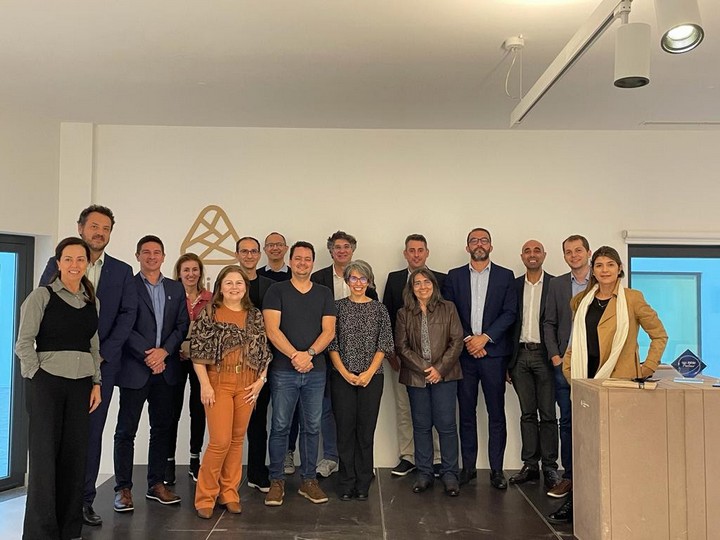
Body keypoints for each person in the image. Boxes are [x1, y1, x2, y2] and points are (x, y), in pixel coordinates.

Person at [549, 245, 668, 525]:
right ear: (593, 269)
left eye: (610, 265)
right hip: (585, 383)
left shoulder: (632, 299)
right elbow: (575, 341)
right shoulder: (581, 301)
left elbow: (659, 335)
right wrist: (569, 370)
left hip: (619, 384)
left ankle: (619, 506)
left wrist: (646, 368)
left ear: (619, 269)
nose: (604, 270)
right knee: (584, 447)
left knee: (617, 449)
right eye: (599, 265)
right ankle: (577, 503)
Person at [38, 205, 137, 527]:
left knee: (90, 435)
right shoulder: (58, 265)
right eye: (94, 226)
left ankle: (83, 501)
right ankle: (54, 504)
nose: (100, 233)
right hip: (58, 367)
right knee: (57, 435)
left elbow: (127, 315)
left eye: (106, 228)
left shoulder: (121, 271)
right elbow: (44, 309)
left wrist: (103, 354)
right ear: (80, 228)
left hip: (101, 367)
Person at [16, 237, 102, 540]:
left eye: (80, 259)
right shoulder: (42, 296)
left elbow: (93, 347)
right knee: (44, 459)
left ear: (87, 263)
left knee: (74, 458)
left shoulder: (92, 302)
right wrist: (37, 377)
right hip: (47, 385)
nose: (74, 265)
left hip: (81, 387)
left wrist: (96, 383)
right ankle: (41, 533)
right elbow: (23, 343)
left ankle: (69, 529)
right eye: (68, 259)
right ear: (58, 263)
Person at [112, 235, 189, 512]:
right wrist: (148, 354)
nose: (152, 257)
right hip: (135, 369)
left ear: (164, 257)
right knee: (126, 431)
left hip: (166, 371)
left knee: (162, 429)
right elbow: (123, 325)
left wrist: (164, 352)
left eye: (157, 252)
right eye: (146, 252)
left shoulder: (175, 288)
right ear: (137, 256)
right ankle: (123, 489)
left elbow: (182, 325)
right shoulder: (127, 285)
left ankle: (156, 484)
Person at [190, 265, 273, 519]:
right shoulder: (210, 313)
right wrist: (205, 384)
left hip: (247, 381)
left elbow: (263, 350)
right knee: (220, 442)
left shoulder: (254, 315)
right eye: (229, 283)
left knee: (237, 440)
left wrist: (261, 381)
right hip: (219, 381)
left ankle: (229, 493)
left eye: (239, 283)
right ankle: (205, 496)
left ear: (245, 288)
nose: (234, 287)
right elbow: (197, 352)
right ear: (220, 287)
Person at [263, 241, 336, 506]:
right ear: (291, 261)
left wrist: (310, 354)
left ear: (312, 263)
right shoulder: (276, 290)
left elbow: (329, 330)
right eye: (298, 258)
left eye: (307, 259)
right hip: (284, 371)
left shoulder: (324, 293)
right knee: (280, 426)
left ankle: (308, 481)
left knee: (312, 427)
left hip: (315, 371)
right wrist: (296, 355)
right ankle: (276, 481)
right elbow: (272, 330)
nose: (303, 263)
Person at [442, 227, 516, 490]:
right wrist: (468, 340)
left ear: (491, 246)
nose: (479, 244)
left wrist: (485, 338)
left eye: (484, 240)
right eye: (474, 240)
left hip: (494, 355)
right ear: (467, 247)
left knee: (496, 413)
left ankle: (497, 470)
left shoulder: (506, 276)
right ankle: (469, 468)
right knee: (466, 413)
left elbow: (510, 312)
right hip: (464, 356)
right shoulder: (454, 276)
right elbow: (449, 312)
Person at [311, 230, 378, 478]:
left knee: (358, 416)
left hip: (360, 360)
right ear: (331, 251)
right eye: (337, 247)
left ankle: (358, 464)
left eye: (346, 247)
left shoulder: (366, 281)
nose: (342, 251)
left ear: (353, 250)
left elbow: (376, 323)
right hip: (324, 352)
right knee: (328, 409)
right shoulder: (318, 278)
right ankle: (331, 457)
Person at [328, 260, 393, 501]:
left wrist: (368, 373)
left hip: (371, 378)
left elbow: (384, 344)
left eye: (363, 278)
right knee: (345, 430)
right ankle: (346, 481)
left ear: (369, 281)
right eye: (353, 278)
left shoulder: (379, 309)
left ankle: (363, 481)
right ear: (347, 281)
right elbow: (332, 344)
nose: (358, 283)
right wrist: (345, 373)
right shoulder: (337, 308)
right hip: (342, 377)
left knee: (366, 431)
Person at [395, 269, 464, 496]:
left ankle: (450, 474)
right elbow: (401, 346)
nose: (422, 286)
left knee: (446, 426)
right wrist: (426, 369)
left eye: (426, 282)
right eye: (417, 283)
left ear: (434, 285)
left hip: (445, 376)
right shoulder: (404, 313)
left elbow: (457, 341)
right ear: (411, 288)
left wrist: (439, 369)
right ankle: (424, 473)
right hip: (417, 378)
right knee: (421, 426)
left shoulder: (448, 308)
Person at [382, 234, 446, 477]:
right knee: (404, 408)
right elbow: (387, 317)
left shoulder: (441, 279)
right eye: (412, 250)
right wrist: (392, 354)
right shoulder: (394, 279)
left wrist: (442, 361)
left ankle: (437, 458)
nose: (416, 254)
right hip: (403, 359)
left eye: (420, 250)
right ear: (405, 254)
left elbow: (448, 319)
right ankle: (408, 456)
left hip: (436, 362)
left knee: (437, 409)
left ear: (427, 253)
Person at [543, 234, 592, 501]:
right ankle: (570, 477)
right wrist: (555, 357)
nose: (574, 255)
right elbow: (549, 322)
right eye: (569, 252)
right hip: (565, 364)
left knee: (594, 421)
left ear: (588, 252)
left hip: (595, 366)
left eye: (578, 250)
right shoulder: (558, 284)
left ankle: (591, 477)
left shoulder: (601, 280)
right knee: (567, 422)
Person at [507, 240, 559, 491]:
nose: (532, 254)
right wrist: (507, 362)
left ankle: (550, 466)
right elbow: (509, 322)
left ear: (544, 255)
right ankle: (530, 465)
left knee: (547, 414)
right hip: (520, 356)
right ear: (522, 256)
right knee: (527, 413)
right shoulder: (514, 285)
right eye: (527, 251)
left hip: (545, 356)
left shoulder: (555, 285)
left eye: (537, 250)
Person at [165, 253, 212, 485]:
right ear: (179, 272)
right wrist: (177, 348)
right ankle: (168, 462)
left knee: (198, 409)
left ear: (200, 272)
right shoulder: (170, 295)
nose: (191, 274)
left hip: (201, 361)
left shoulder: (210, 298)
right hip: (174, 358)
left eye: (195, 269)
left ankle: (195, 459)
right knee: (171, 411)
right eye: (186, 270)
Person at [235, 236, 276, 493]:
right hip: (232, 363)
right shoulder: (228, 282)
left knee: (258, 421)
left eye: (253, 251)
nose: (249, 255)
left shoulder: (270, 286)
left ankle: (257, 472)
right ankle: (228, 475)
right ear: (237, 254)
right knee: (230, 423)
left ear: (259, 255)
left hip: (262, 362)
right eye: (244, 251)